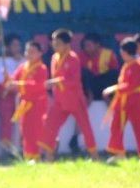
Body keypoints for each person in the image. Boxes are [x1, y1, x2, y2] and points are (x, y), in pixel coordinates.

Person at [40, 29, 100, 162]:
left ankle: (95, 156)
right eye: (54, 42)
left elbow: (74, 80)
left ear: (67, 44)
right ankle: (49, 156)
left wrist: (56, 81)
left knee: (85, 127)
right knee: (50, 124)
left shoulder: (73, 58)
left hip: (75, 99)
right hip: (60, 100)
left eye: (58, 43)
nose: (55, 45)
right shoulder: (54, 58)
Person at [103, 38, 140, 161]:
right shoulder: (127, 66)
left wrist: (114, 89)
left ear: (125, 52)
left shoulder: (136, 67)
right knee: (115, 126)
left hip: (133, 101)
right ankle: (118, 154)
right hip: (122, 101)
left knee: (139, 127)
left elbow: (133, 85)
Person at [5, 41, 49, 162]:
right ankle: (29, 156)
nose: (29, 54)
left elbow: (38, 85)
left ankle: (37, 156)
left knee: (36, 129)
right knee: (25, 130)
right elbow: (14, 79)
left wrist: (18, 84)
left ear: (40, 53)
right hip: (25, 103)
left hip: (37, 103)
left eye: (32, 52)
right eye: (27, 51)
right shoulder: (23, 67)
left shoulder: (42, 68)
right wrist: (8, 80)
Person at [0, 33, 25, 156]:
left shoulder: (24, 60)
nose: (17, 48)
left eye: (19, 45)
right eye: (14, 45)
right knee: (6, 121)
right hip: (6, 96)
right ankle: (6, 150)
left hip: (22, 95)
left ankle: (23, 149)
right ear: (7, 47)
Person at [80, 32, 120, 101]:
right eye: (85, 46)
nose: (86, 48)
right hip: (90, 85)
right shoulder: (82, 56)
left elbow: (115, 72)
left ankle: (110, 98)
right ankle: (89, 97)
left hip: (104, 84)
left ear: (97, 44)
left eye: (89, 46)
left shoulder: (109, 54)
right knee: (83, 72)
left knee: (113, 73)